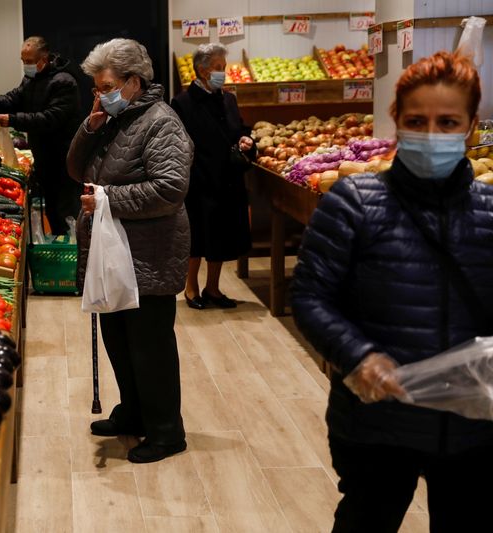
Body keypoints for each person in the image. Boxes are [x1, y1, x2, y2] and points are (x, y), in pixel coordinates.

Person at [291, 50, 493, 533]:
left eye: (448, 122)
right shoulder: (354, 202)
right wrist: (358, 356)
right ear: (396, 122)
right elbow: (310, 295)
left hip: (472, 426)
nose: (432, 134)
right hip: (377, 420)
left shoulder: (490, 211)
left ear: (470, 129)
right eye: (417, 120)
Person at [66, 38, 193, 464]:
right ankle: (133, 412)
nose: (99, 95)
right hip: (115, 255)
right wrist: (89, 126)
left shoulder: (162, 122)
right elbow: (73, 168)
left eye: (105, 87)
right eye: (96, 89)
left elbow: (170, 189)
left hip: (149, 255)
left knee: (149, 347)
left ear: (134, 83)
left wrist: (107, 199)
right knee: (119, 340)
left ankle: (166, 432)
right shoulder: (114, 119)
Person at [171, 43, 255, 310]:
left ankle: (214, 288)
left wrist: (245, 140)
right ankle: (191, 286)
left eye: (225, 67)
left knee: (222, 237)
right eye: (219, 68)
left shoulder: (228, 99)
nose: (223, 73)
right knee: (197, 237)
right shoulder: (183, 102)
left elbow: (239, 129)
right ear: (202, 70)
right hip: (199, 180)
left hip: (227, 179)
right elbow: (178, 142)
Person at [0, 36, 83, 235]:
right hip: (44, 154)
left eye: (29, 61)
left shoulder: (64, 82)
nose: (25, 66)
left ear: (44, 59)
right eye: (23, 61)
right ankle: (58, 243)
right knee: (52, 208)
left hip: (64, 157)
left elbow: (50, 119)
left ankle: (74, 253)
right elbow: (14, 97)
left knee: (66, 209)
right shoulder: (31, 79)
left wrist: (13, 120)